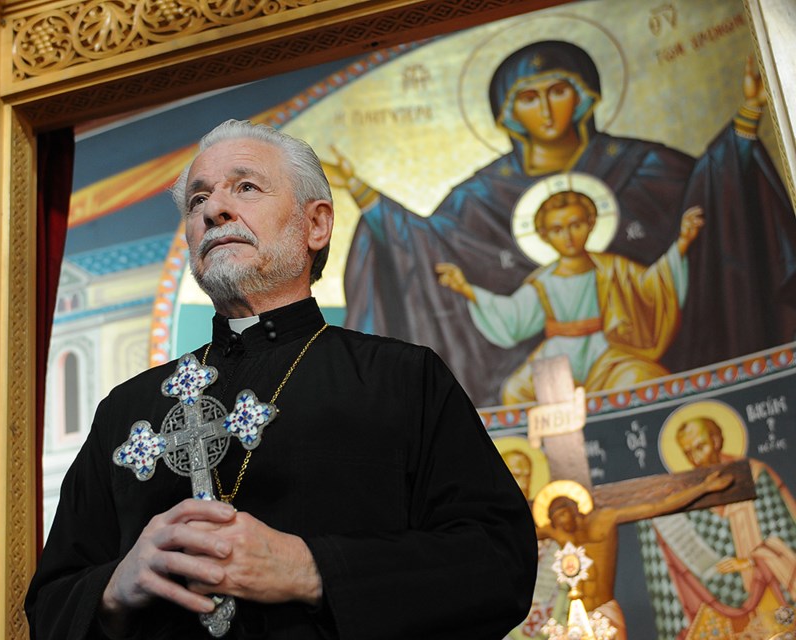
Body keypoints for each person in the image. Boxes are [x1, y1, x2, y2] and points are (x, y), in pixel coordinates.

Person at [25, 119, 538, 639]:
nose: (213, 209)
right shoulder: (126, 411)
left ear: (315, 225)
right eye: (197, 199)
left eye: (245, 187)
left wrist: (311, 568)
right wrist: (114, 588)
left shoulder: (402, 379)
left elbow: (499, 564)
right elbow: (49, 607)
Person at [326, 40, 796, 406]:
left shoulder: (644, 166)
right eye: (529, 97)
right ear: (509, 113)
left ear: (585, 96)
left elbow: (710, 192)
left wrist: (748, 116)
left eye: (558, 91)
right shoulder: (481, 197)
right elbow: (428, 246)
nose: (547, 110)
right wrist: (369, 200)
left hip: (623, 354)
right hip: (552, 364)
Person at [434, 190, 703, 403]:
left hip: (608, 354)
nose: (568, 236)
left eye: (575, 225)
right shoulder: (543, 282)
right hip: (557, 359)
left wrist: (682, 244)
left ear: (591, 224)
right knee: (516, 392)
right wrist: (465, 289)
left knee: (646, 378)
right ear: (544, 235)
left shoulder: (613, 267)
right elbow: (514, 318)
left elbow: (651, 288)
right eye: (557, 229)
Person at [637, 417, 796, 638]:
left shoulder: (755, 476)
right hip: (714, 601)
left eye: (700, 447)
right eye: (688, 452)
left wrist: (750, 561)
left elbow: (786, 534)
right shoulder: (689, 493)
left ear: (716, 440)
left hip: (765, 589)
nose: (696, 458)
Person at [532, 472, 734, 640]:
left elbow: (658, 506)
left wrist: (704, 488)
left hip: (606, 611)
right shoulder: (556, 531)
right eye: (555, 520)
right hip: (576, 617)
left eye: (562, 515)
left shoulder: (606, 518)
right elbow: (519, 533)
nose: (560, 523)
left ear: (574, 507)